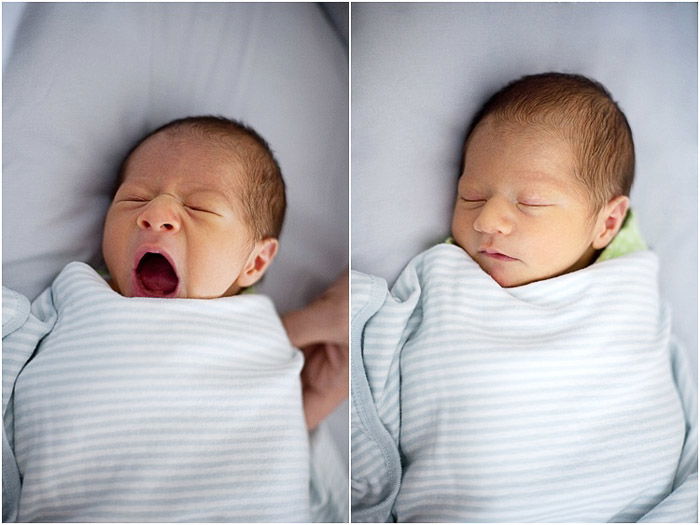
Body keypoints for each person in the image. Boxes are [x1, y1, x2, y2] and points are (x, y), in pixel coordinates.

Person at [350, 73, 697, 522]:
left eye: (530, 202)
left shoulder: (630, 295)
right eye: (471, 196)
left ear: (607, 225)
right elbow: (369, 356)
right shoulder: (444, 281)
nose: (488, 219)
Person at [2, 116, 346, 522]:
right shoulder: (77, 294)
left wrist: (308, 415)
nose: (157, 212)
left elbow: (269, 448)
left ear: (255, 261)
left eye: (199, 207)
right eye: (134, 198)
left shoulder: (261, 329)